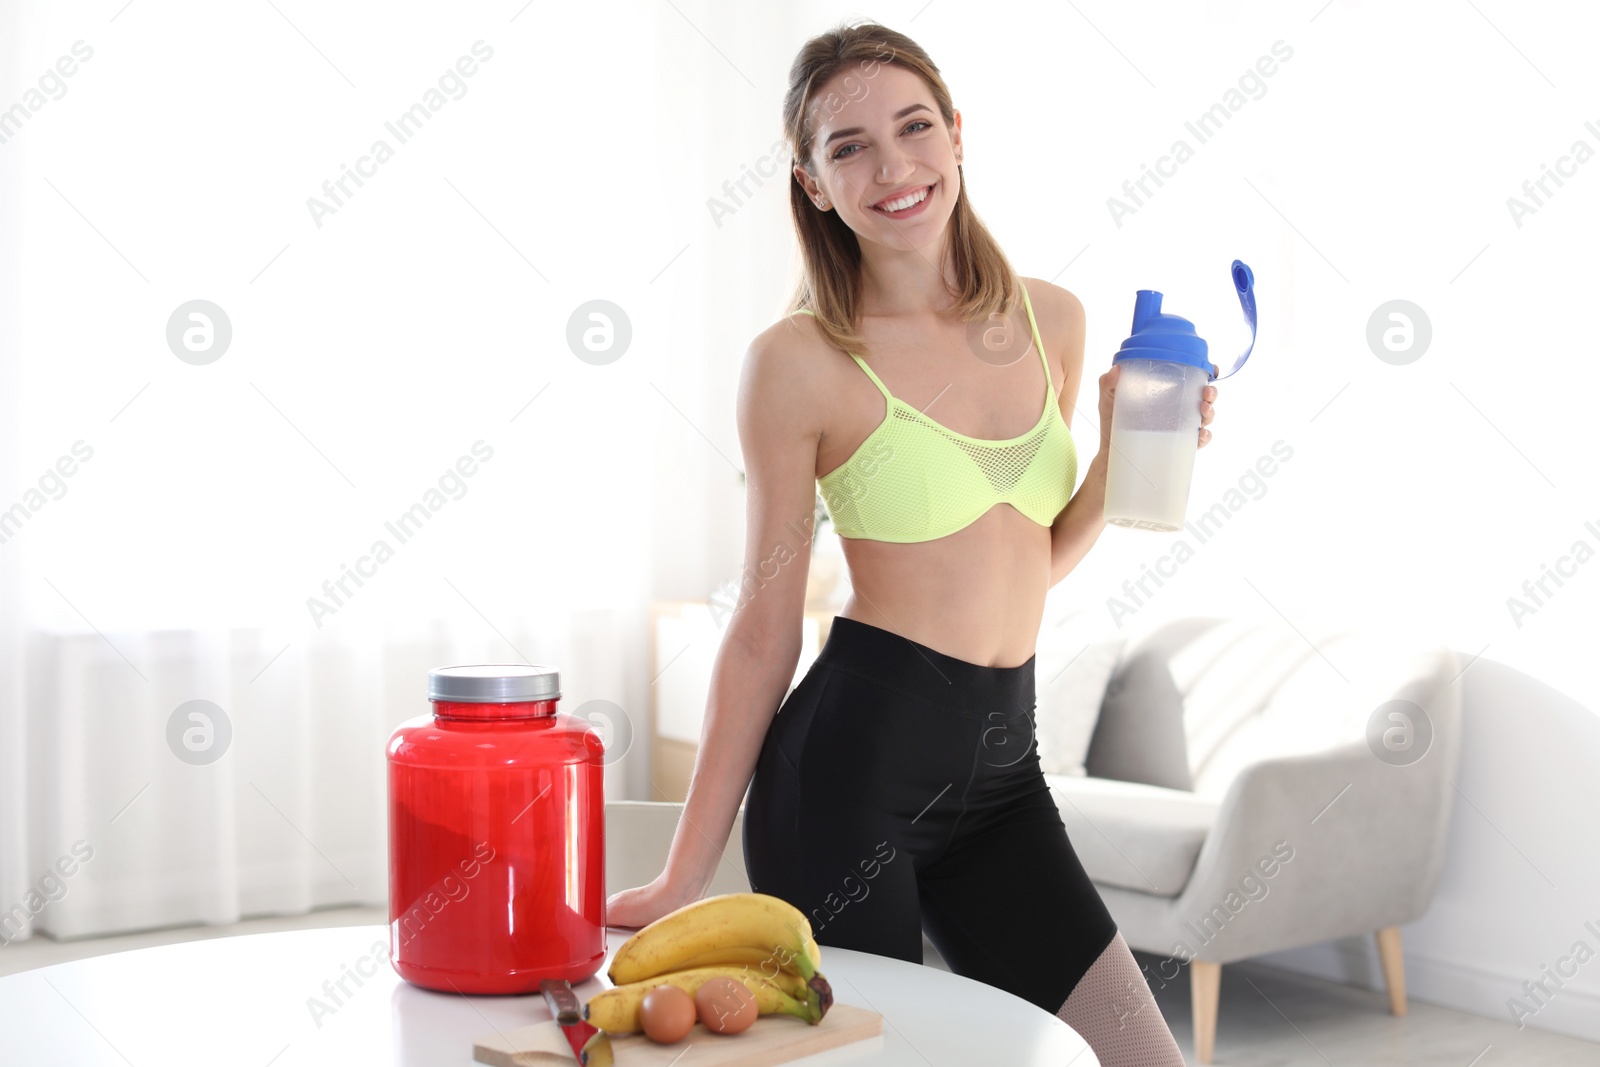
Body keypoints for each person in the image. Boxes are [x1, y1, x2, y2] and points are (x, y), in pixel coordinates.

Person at [608, 21, 1217, 1066]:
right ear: (810, 182)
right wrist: (682, 873)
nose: (892, 167)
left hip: (1002, 772)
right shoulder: (797, 363)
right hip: (849, 778)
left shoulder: (1053, 322)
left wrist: (1123, 450)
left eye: (913, 126)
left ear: (956, 136)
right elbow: (761, 631)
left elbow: (1029, 561)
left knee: (1142, 1058)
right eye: (847, 147)